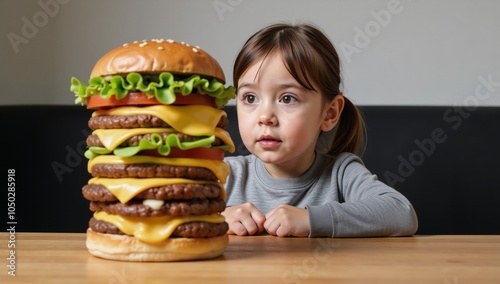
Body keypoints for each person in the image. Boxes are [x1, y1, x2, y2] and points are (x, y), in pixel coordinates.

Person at [221, 23, 418, 238]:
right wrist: (218, 217)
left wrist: (311, 219)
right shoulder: (225, 175)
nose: (265, 117)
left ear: (329, 114)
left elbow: (401, 212)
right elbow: (177, 216)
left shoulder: (341, 173)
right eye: (250, 98)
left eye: (287, 98)